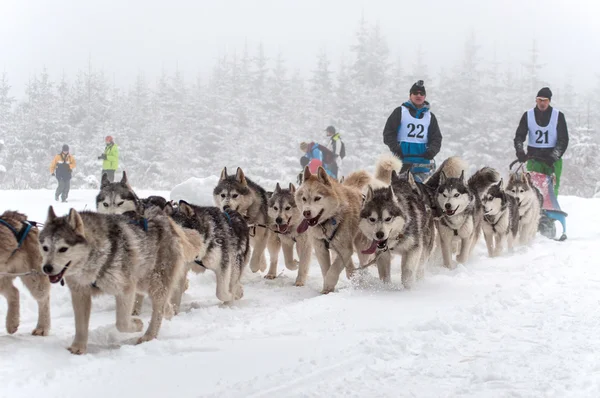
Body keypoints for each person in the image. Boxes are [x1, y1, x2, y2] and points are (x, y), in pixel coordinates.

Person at [382, 80, 443, 182]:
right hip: (401, 163)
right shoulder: (400, 112)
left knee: (422, 194)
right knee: (402, 193)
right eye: (415, 93)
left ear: (424, 97)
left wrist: (432, 151)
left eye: (421, 93)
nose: (418, 95)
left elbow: (436, 138)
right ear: (410, 95)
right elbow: (388, 133)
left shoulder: (430, 117)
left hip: (423, 164)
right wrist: (395, 148)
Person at [514, 87, 569, 196]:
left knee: (551, 188)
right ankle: (534, 211)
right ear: (536, 100)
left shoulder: (558, 116)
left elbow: (563, 140)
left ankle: (550, 211)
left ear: (549, 101)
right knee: (533, 187)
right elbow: (519, 136)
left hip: (553, 160)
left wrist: (553, 157)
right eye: (540, 100)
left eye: (545, 100)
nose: (542, 103)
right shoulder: (528, 115)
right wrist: (520, 151)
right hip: (534, 158)